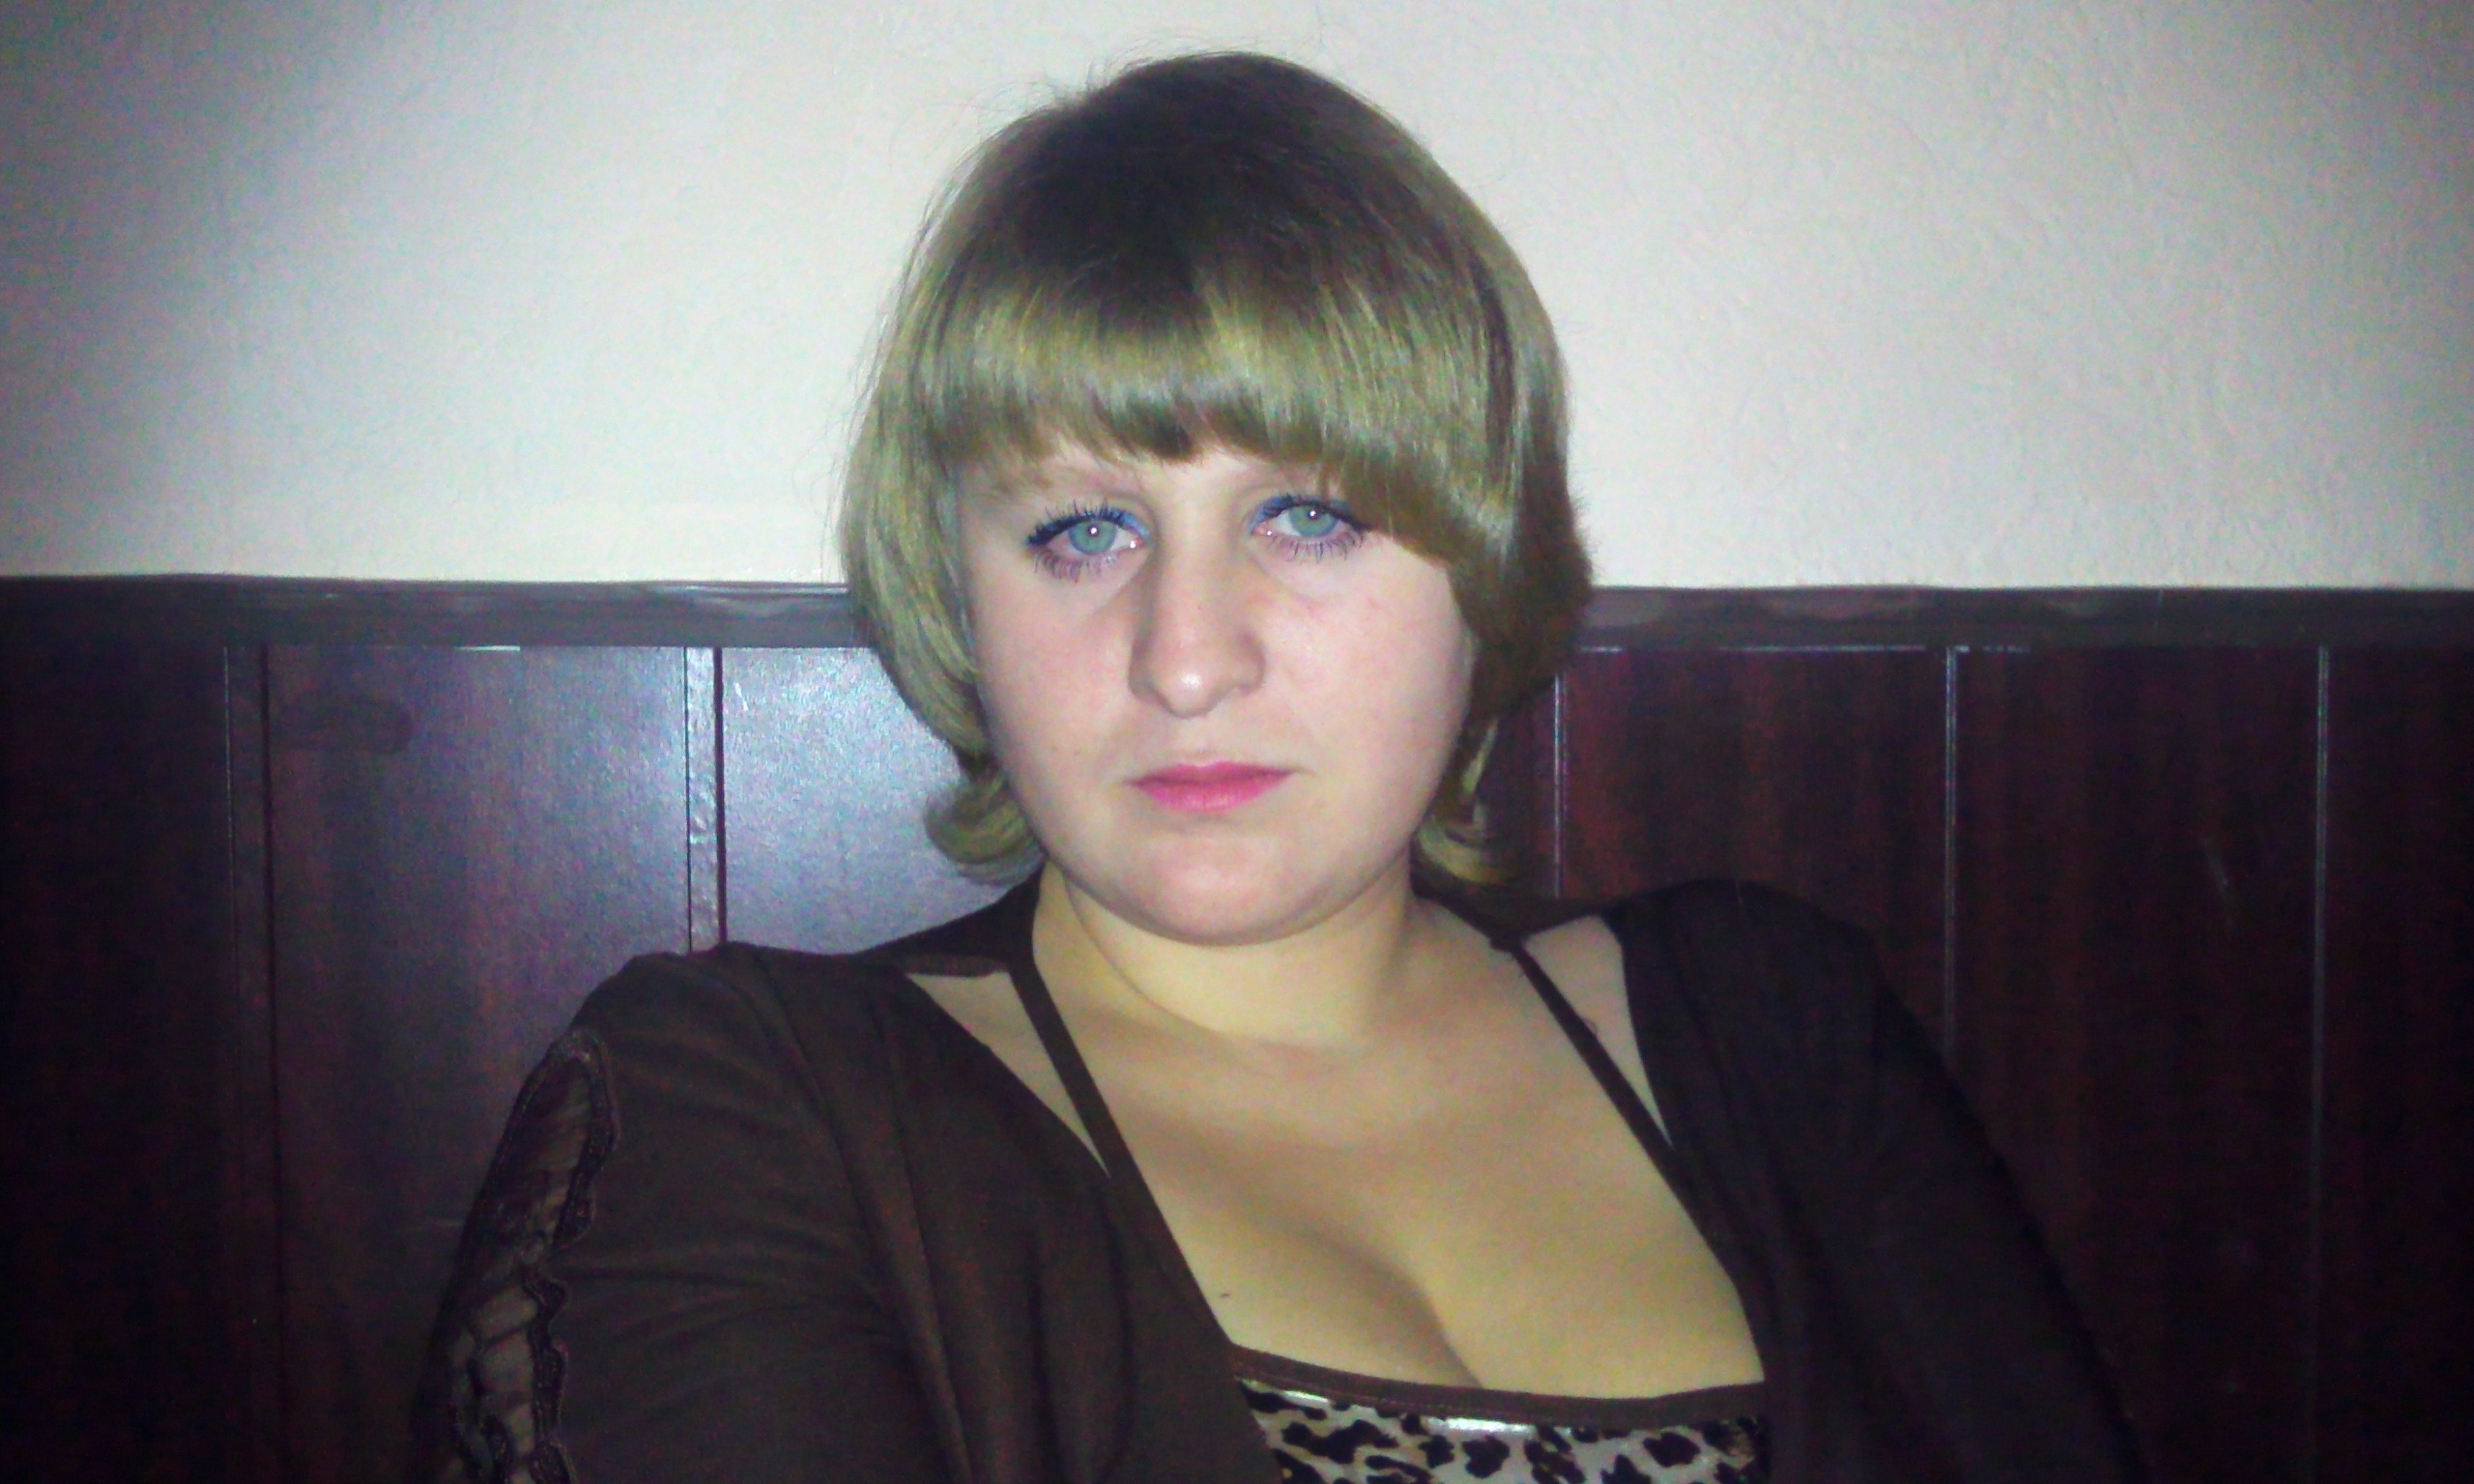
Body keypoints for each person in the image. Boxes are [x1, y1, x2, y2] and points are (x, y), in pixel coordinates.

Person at [413, 52, 2146, 1484]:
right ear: (961, 595)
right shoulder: (742, 1112)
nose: (1185, 657)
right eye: (1083, 530)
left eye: (1310, 515)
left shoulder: (1777, 1030)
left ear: (1484, 563)